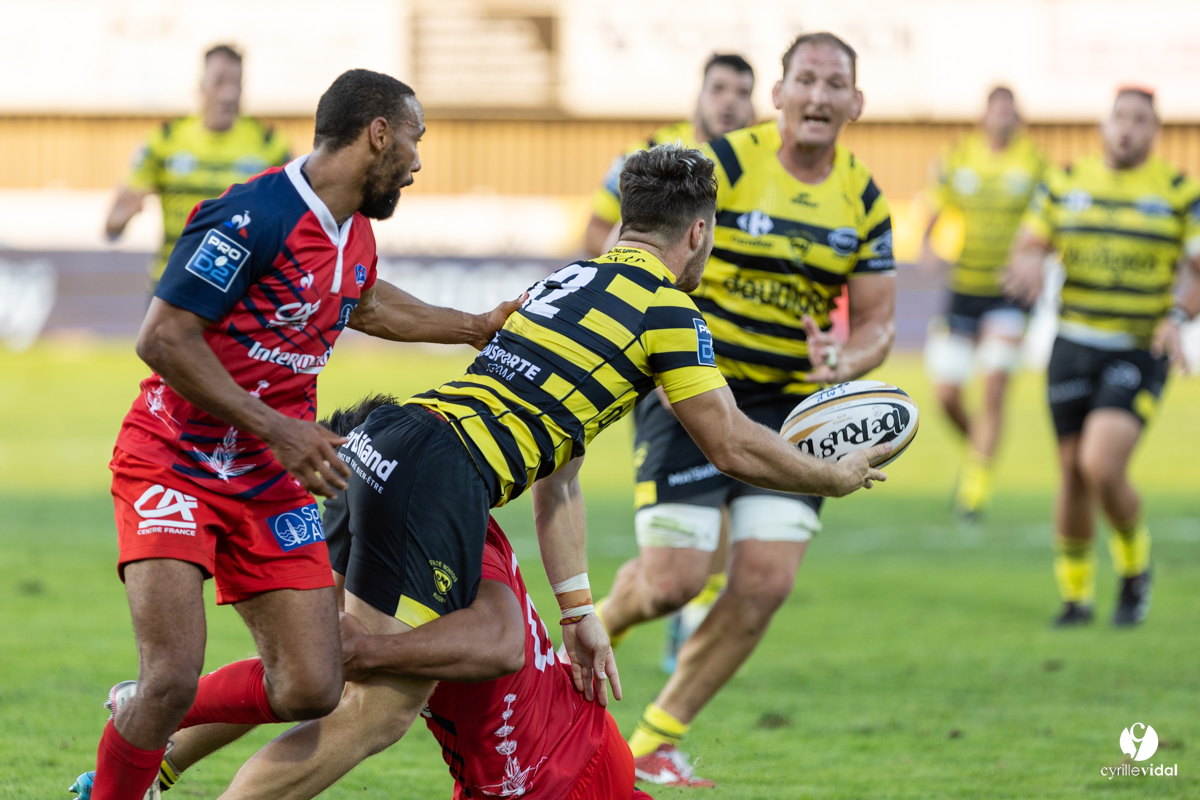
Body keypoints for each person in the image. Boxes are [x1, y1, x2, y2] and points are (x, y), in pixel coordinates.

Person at [95, 142, 887, 800]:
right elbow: (731, 444)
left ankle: (158, 748)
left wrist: (579, 613)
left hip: (393, 440)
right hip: (439, 473)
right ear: (701, 233)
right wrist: (833, 475)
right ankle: (152, 715)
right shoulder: (668, 312)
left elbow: (559, 477)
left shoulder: (566, 282)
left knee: (332, 662)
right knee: (373, 706)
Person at [88, 69, 523, 800]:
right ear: (378, 135)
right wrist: (279, 429)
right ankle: (143, 727)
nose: (417, 162)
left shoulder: (356, 230)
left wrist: (473, 327)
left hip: (268, 477)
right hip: (173, 461)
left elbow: (368, 303)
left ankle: (145, 711)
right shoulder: (252, 215)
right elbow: (162, 338)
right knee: (171, 677)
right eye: (414, 140)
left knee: (311, 686)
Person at [595, 32, 897, 787]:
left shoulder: (864, 199)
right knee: (671, 584)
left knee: (764, 583)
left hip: (794, 408)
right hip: (693, 384)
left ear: (856, 102)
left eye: (835, 84)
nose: (819, 96)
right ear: (780, 94)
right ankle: (588, 636)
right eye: (807, 80)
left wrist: (847, 360)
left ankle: (651, 745)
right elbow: (637, 252)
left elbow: (878, 323)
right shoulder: (725, 166)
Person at [70, 501, 655, 800]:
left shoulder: (442, 538)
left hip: (558, 776)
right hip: (534, 769)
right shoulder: (384, 527)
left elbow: (502, 643)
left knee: (363, 709)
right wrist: (163, 756)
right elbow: (296, 678)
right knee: (321, 678)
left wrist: (369, 651)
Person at [1006, 86, 1200, 627]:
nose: (1127, 128)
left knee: (1100, 465)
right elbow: (1030, 243)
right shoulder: (1066, 181)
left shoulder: (1179, 191)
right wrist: (1028, 261)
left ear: (1155, 132)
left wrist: (1178, 315)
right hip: (1072, 345)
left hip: (1139, 347)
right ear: (1102, 125)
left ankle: (1135, 569)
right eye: (1120, 117)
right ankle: (1077, 599)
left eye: (1140, 119)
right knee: (1071, 472)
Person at [920, 87, 1047, 521]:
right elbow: (933, 205)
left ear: (1019, 118)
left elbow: (1048, 221)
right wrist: (928, 243)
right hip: (963, 288)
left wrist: (1035, 263)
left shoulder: (1034, 162)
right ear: (984, 117)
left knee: (993, 386)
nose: (1003, 119)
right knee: (946, 395)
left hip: (1009, 292)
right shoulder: (959, 156)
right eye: (997, 111)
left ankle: (973, 493)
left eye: (1010, 112)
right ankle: (981, 450)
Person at [105, 45, 291, 291]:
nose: (229, 94)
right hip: (172, 285)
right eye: (219, 82)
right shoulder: (164, 140)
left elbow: (294, 219)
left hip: (239, 291)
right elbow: (112, 226)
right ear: (201, 86)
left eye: (236, 84)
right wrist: (120, 218)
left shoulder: (270, 144)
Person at [584, 53, 756, 257]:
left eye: (742, 93)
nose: (729, 101)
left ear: (753, 108)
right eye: (718, 88)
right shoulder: (646, 154)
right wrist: (650, 264)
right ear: (698, 98)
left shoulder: (770, 161)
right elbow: (595, 233)